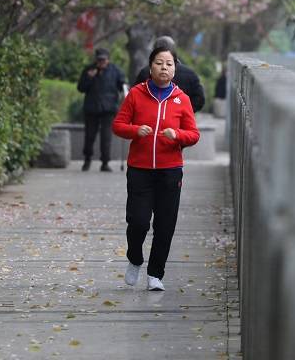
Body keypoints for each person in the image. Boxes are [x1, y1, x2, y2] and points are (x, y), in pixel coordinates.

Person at [113, 46, 200, 291]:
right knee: (138, 221)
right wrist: (135, 130)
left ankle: (155, 274)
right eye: (160, 63)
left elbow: (194, 134)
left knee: (165, 224)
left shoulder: (182, 99)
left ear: (175, 69)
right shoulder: (136, 94)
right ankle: (134, 258)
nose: (164, 67)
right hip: (139, 168)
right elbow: (118, 125)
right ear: (150, 67)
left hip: (170, 170)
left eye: (169, 64)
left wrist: (178, 135)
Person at [77, 48, 126, 172]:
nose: (101, 62)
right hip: (91, 108)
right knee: (89, 136)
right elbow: (80, 88)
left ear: (108, 59)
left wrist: (125, 91)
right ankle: (87, 159)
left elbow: (123, 85)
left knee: (106, 137)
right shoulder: (89, 70)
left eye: (104, 60)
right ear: (96, 59)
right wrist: (89, 78)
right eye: (99, 60)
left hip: (108, 109)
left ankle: (105, 162)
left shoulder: (115, 70)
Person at [133, 35, 205, 112]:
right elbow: (199, 99)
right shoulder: (190, 74)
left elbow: (135, 97)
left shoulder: (145, 72)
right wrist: (184, 112)